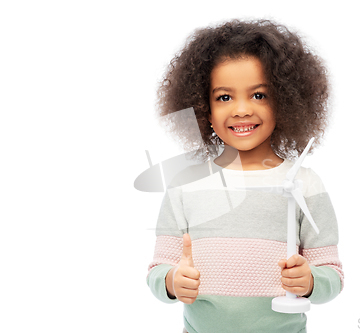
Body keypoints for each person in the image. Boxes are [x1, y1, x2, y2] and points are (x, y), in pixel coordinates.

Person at [147, 19, 343, 333]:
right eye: (224, 97)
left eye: (259, 95)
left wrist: (311, 281)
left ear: (285, 102)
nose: (241, 110)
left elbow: (331, 273)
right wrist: (172, 281)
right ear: (204, 109)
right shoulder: (185, 184)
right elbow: (159, 269)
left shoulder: (305, 184)